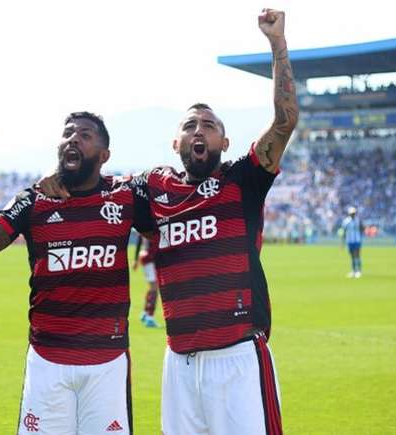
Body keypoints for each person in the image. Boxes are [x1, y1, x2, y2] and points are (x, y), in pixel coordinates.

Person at [40, 9, 297, 434]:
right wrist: (57, 179)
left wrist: (277, 43)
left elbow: (285, 122)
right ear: (175, 141)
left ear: (224, 142)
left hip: (237, 358)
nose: (200, 131)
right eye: (190, 125)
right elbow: (93, 186)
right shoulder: (152, 189)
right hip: (178, 363)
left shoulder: (243, 181)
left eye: (210, 125)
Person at [0, 112, 152, 434]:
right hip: (47, 362)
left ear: (104, 155)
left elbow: (171, 206)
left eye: (85, 135)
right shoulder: (33, 200)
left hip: (107, 362)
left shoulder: (125, 195)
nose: (73, 138)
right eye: (68, 132)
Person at [132, 234, 160, 328]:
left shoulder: (145, 225)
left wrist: (136, 259)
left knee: (152, 286)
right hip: (151, 257)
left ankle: (145, 313)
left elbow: (139, 239)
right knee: (154, 288)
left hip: (144, 256)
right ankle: (149, 317)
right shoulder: (154, 223)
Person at [340, 206, 364, 278]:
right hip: (349, 240)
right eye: (351, 213)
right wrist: (342, 242)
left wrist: (360, 235)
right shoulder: (346, 221)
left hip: (357, 240)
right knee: (352, 256)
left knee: (357, 255)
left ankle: (359, 271)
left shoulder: (358, 220)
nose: (353, 215)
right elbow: (343, 232)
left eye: (354, 213)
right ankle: (354, 271)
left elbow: (362, 229)